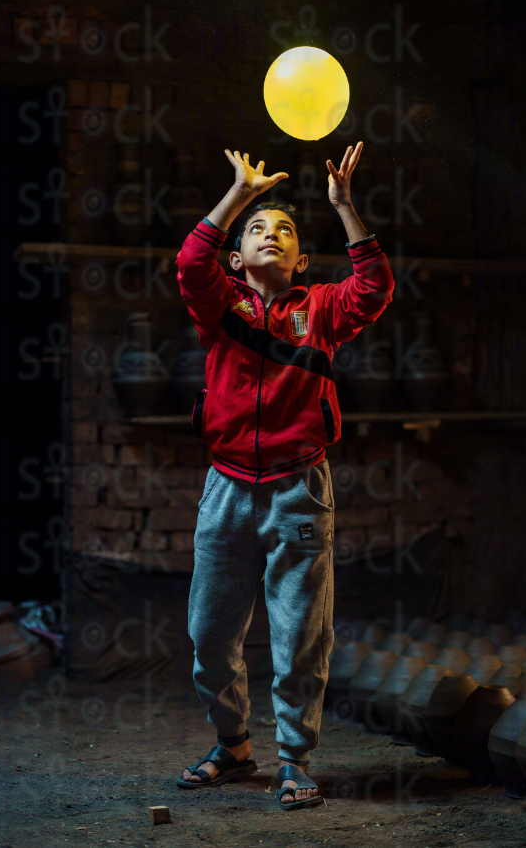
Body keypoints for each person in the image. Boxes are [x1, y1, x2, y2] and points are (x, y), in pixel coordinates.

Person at [174, 144, 395, 810]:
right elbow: (190, 262)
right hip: (225, 487)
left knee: (300, 637)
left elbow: (375, 287)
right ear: (237, 259)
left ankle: (295, 760)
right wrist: (239, 194)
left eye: (285, 231)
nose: (271, 234)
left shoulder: (320, 309)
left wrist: (342, 206)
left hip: (300, 489)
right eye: (256, 231)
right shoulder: (220, 306)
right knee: (210, 636)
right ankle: (233, 747)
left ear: (300, 261)